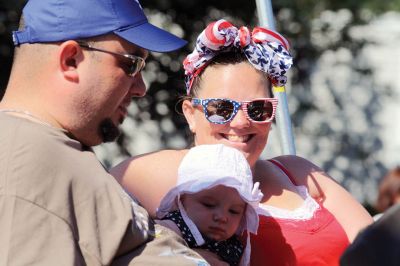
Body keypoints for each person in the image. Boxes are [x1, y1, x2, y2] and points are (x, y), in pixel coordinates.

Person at [111, 19, 373, 265]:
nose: (240, 122)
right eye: (222, 108)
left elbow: (380, 244)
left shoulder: (298, 172)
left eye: (258, 109)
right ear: (191, 114)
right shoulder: (154, 173)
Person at [0, 0, 209, 265]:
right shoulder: (26, 162)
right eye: (132, 64)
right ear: (71, 59)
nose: (141, 88)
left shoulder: (46, 148)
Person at [156, 144, 263, 266]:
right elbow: (150, 250)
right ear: (182, 200)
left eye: (234, 211)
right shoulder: (174, 226)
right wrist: (191, 258)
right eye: (209, 205)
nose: (222, 217)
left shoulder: (234, 246)